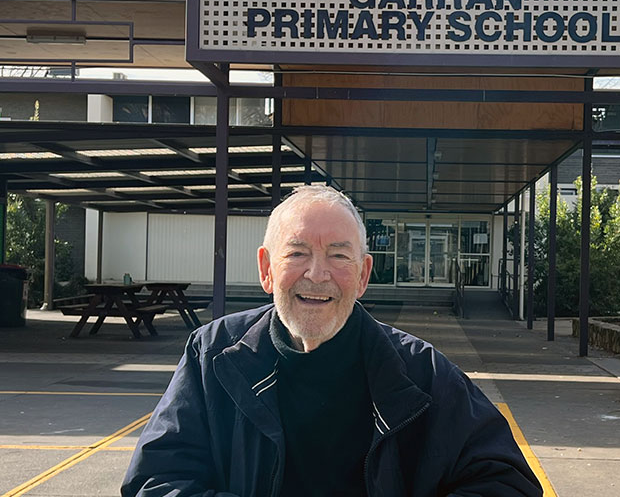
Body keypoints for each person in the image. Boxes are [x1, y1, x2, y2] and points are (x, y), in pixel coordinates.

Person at [122, 185, 543, 497]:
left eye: (339, 255)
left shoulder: (422, 374)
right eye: (297, 253)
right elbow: (156, 479)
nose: (318, 274)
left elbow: (507, 482)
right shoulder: (212, 355)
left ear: (363, 275)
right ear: (267, 268)